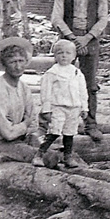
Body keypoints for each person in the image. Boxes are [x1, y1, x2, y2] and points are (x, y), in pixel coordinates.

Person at [51, 0, 109, 142]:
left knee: (90, 84)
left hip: (90, 40)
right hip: (68, 39)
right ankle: (57, 124)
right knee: (62, 80)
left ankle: (90, 124)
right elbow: (57, 17)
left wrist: (87, 38)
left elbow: (103, 19)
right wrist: (72, 38)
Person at [0, 38, 39, 163]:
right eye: (12, 62)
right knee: (46, 156)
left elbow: (33, 121)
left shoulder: (24, 88)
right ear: (4, 64)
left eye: (21, 61)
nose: (18, 67)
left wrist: (22, 125)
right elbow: (8, 133)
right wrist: (24, 124)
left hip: (21, 139)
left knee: (54, 150)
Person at [32, 40, 87, 168]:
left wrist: (84, 107)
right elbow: (46, 92)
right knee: (54, 132)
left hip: (74, 107)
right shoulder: (52, 73)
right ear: (55, 56)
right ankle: (39, 155)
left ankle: (68, 157)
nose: (64, 56)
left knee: (69, 133)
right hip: (58, 107)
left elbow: (82, 91)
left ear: (74, 56)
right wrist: (46, 109)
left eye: (68, 53)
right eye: (60, 53)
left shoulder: (76, 72)